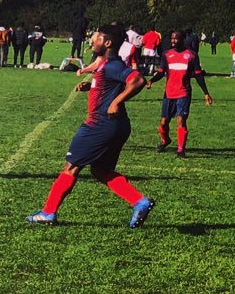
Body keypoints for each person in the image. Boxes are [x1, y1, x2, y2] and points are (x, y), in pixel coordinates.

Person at [26, 24, 156, 228]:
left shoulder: (113, 65)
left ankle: (48, 212)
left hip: (100, 125)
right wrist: (92, 86)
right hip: (117, 125)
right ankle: (139, 202)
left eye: (96, 38)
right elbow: (111, 84)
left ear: (108, 43)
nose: (92, 41)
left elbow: (137, 80)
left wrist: (116, 101)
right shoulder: (105, 65)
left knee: (71, 167)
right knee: (100, 170)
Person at [147, 31, 213, 158]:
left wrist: (206, 93)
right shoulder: (167, 55)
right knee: (163, 123)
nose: (173, 41)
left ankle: (181, 149)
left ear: (183, 39)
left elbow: (198, 75)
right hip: (169, 93)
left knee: (181, 120)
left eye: (176, 39)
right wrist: (151, 80)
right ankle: (165, 141)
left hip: (184, 92)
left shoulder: (192, 55)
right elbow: (161, 72)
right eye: (172, 38)